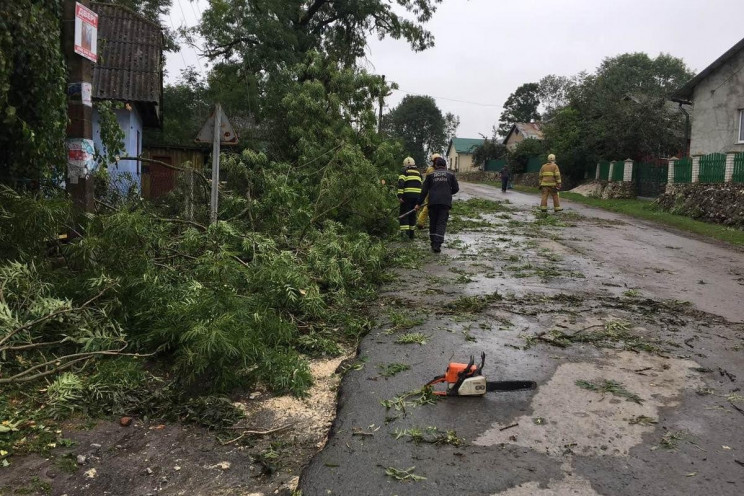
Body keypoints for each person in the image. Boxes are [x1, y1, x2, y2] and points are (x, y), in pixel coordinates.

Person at [415, 156, 459, 253]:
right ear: (445, 165)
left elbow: (424, 191)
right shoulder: (450, 175)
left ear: (436, 165)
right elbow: (456, 189)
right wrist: (447, 193)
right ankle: (437, 244)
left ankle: (433, 242)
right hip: (445, 203)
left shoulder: (430, 175)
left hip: (432, 202)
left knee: (433, 222)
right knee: (441, 223)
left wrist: (418, 203)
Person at [397, 156, 423, 239]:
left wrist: (400, 196)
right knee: (412, 215)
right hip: (417, 197)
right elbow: (421, 185)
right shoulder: (418, 172)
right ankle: (411, 235)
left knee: (404, 215)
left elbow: (401, 183)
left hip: (407, 197)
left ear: (405, 165)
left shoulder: (404, 171)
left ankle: (405, 235)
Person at [416, 153, 440, 229]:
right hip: (432, 191)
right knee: (428, 206)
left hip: (434, 191)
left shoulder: (434, 169)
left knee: (430, 207)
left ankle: (422, 222)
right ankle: (420, 222)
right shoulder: (431, 169)